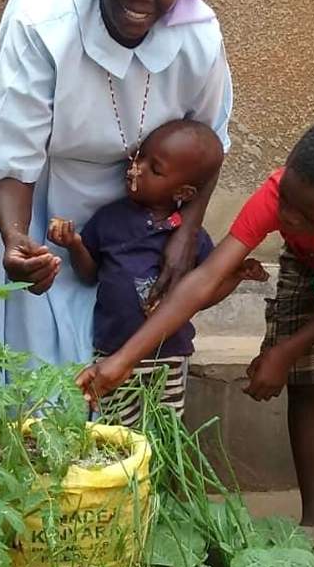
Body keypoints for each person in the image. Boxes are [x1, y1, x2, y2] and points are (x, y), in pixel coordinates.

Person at [77, 119, 314, 557]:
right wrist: (123, 359)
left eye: (304, 216)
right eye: (285, 202)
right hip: (304, 266)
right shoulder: (276, 193)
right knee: (304, 384)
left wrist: (284, 351)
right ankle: (312, 509)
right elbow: (204, 278)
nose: (286, 216)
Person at [0, 0, 232, 366]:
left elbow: (210, 149)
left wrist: (185, 233)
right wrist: (16, 238)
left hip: (131, 198)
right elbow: (15, 157)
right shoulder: (41, 20)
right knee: (25, 342)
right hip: (31, 185)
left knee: (113, 330)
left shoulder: (200, 43)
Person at [47, 120, 227, 426]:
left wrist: (235, 276)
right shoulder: (109, 220)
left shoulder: (191, 239)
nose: (137, 169)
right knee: (118, 432)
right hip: (111, 351)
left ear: (183, 191)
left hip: (168, 356)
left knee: (167, 433)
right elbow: (89, 275)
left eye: (154, 170)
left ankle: (158, 476)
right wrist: (75, 244)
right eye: (138, 157)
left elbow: (204, 290)